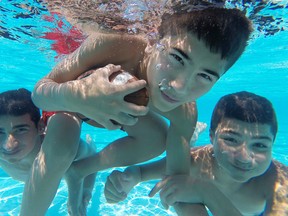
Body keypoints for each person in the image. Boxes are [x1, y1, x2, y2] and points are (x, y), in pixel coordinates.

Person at [30, 7, 252, 214]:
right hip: (70, 100)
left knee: (157, 139)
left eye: (205, 76)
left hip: (120, 112)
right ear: (155, 42)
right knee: (60, 149)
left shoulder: (184, 114)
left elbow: (177, 185)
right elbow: (40, 93)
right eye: (176, 58)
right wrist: (80, 95)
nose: (180, 86)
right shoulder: (117, 44)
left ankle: (79, 170)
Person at [104, 91, 288, 216]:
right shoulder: (197, 160)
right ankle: (190, 137)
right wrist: (124, 181)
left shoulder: (280, 183)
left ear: (272, 144)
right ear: (212, 137)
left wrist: (205, 191)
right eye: (231, 140)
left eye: (260, 145)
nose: (244, 157)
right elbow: (140, 173)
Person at [0, 88, 96, 216]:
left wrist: (87, 190)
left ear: (40, 127)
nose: (8, 145)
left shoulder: (61, 150)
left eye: (21, 130)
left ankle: (91, 142)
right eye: (0, 132)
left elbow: (92, 158)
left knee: (89, 148)